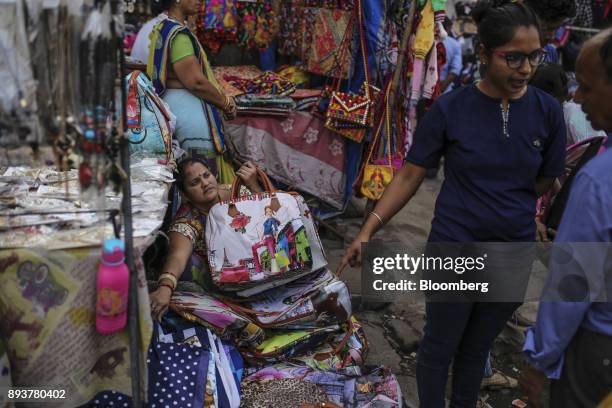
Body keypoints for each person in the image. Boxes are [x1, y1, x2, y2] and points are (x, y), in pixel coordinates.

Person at [341, 1, 566, 406]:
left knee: (476, 349)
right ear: (483, 54)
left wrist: (506, 205)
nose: (526, 69)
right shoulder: (451, 108)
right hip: (455, 249)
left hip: (511, 253)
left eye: (535, 57)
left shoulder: (548, 112)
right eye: (513, 58)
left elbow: (545, 180)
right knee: (439, 347)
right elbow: (410, 175)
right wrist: (368, 229)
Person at [521, 28, 612, 408]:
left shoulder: (599, 179)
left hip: (596, 354)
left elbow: (573, 285)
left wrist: (539, 358)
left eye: (587, 88)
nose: (577, 96)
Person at [149, 158, 263, 321]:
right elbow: (177, 257)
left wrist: (254, 186)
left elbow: (270, 215)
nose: (205, 183)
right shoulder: (188, 220)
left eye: (206, 175)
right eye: (195, 182)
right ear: (184, 194)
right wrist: (165, 288)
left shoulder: (237, 193)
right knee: (190, 264)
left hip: (260, 264)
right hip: (224, 281)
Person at [146, 0, 237, 183]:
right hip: (190, 123)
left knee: (192, 184)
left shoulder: (163, 28)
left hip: (177, 113)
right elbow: (196, 82)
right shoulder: (178, 35)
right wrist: (225, 103)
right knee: (204, 184)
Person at [523, 0, 577, 64]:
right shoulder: (511, 51)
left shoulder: (551, 52)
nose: (552, 37)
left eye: (557, 28)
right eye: (544, 29)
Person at [441, 17, 463, 93]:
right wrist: (442, 88)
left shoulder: (425, 40)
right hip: (443, 89)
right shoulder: (455, 44)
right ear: (448, 28)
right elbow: (455, 70)